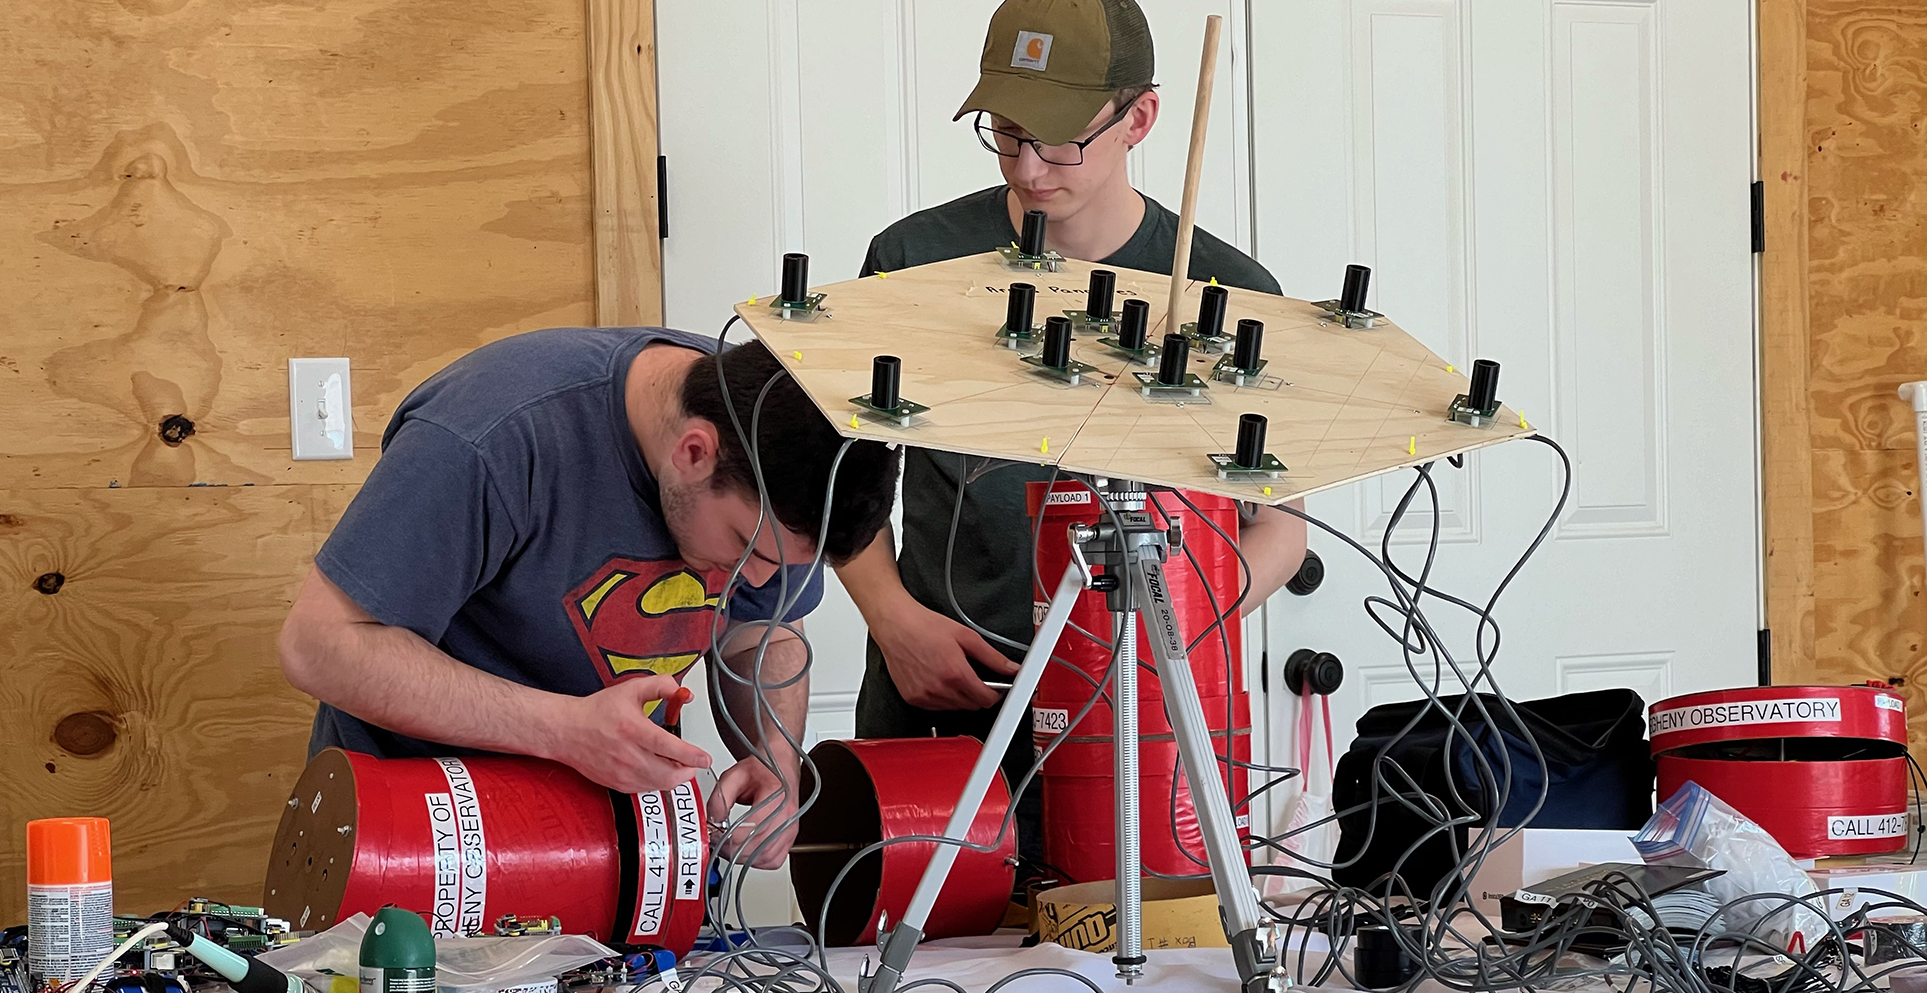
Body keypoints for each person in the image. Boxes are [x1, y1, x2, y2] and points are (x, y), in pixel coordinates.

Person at [841, 0, 1307, 856]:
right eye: (1006, 133)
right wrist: (892, 621)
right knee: (930, 979)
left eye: (1059, 140)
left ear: (1141, 117)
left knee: (1149, 970)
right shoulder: (911, 261)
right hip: (944, 691)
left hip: (1142, 708)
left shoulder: (1228, 291)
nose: (1027, 167)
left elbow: (1276, 524)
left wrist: (1167, 638)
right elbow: (835, 480)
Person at [279, 328, 898, 869]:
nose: (756, 581)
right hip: (414, 840)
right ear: (693, 454)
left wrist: (775, 756)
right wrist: (566, 730)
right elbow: (319, 645)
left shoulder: (784, 445)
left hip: (613, 855)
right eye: (745, 549)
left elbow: (761, 627)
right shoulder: (494, 432)